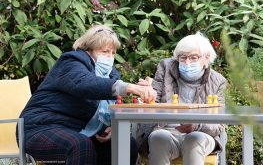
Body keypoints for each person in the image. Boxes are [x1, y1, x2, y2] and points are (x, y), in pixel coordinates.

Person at [17, 24, 157, 165]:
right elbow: (87, 84)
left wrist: (109, 128)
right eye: (104, 51)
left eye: (113, 52)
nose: (110, 57)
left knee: (125, 144)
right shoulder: (71, 62)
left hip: (80, 133)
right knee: (79, 145)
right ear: (88, 51)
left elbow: (102, 110)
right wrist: (130, 87)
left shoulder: (111, 75)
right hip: (40, 127)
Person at [138, 32, 227, 165]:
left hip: (202, 134)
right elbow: (153, 104)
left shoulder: (218, 81)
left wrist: (197, 126)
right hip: (166, 130)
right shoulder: (165, 67)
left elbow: (219, 124)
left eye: (193, 58)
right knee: (159, 138)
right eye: (182, 57)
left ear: (206, 58)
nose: (187, 62)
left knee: (193, 140)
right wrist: (148, 95)